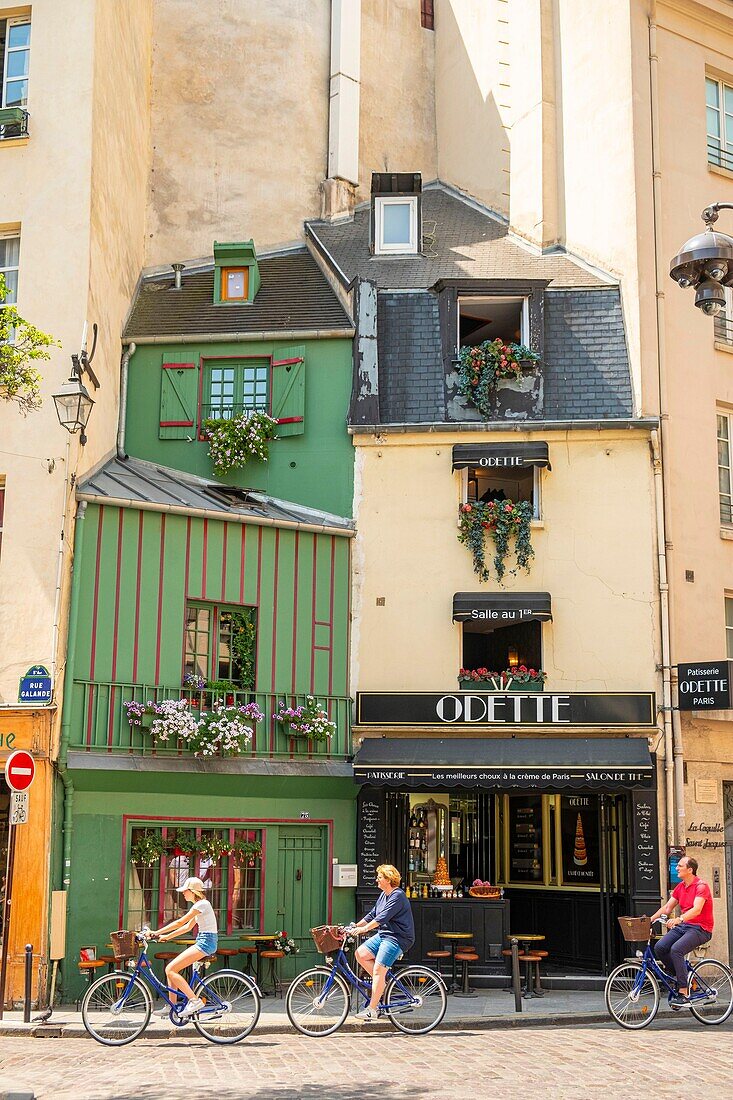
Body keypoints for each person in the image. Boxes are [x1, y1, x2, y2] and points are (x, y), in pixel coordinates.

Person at [147, 876, 218, 1018]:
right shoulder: (200, 905)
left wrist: (156, 932)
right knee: (172, 970)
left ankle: (194, 1000)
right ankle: (172, 1006)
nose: (183, 893)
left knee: (170, 969)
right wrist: (167, 937)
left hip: (206, 942)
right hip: (204, 941)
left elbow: (180, 922)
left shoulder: (201, 905)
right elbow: (187, 927)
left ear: (193, 891)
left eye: (185, 890)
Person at [352, 864, 414, 1023]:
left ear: (388, 880)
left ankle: (372, 1009)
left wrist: (365, 929)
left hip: (398, 938)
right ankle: (381, 985)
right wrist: (355, 926)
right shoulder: (383, 895)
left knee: (379, 970)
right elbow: (373, 914)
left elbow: (382, 918)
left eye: (379, 877)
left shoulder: (397, 896)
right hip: (384, 935)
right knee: (361, 954)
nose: (376, 880)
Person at [650, 855, 714, 1001]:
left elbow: (697, 909)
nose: (677, 868)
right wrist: (649, 920)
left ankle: (683, 991)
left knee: (676, 949)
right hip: (685, 926)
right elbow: (667, 908)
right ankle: (685, 978)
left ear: (690, 870)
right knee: (660, 947)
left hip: (701, 928)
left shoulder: (701, 886)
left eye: (680, 866)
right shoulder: (680, 887)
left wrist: (679, 919)